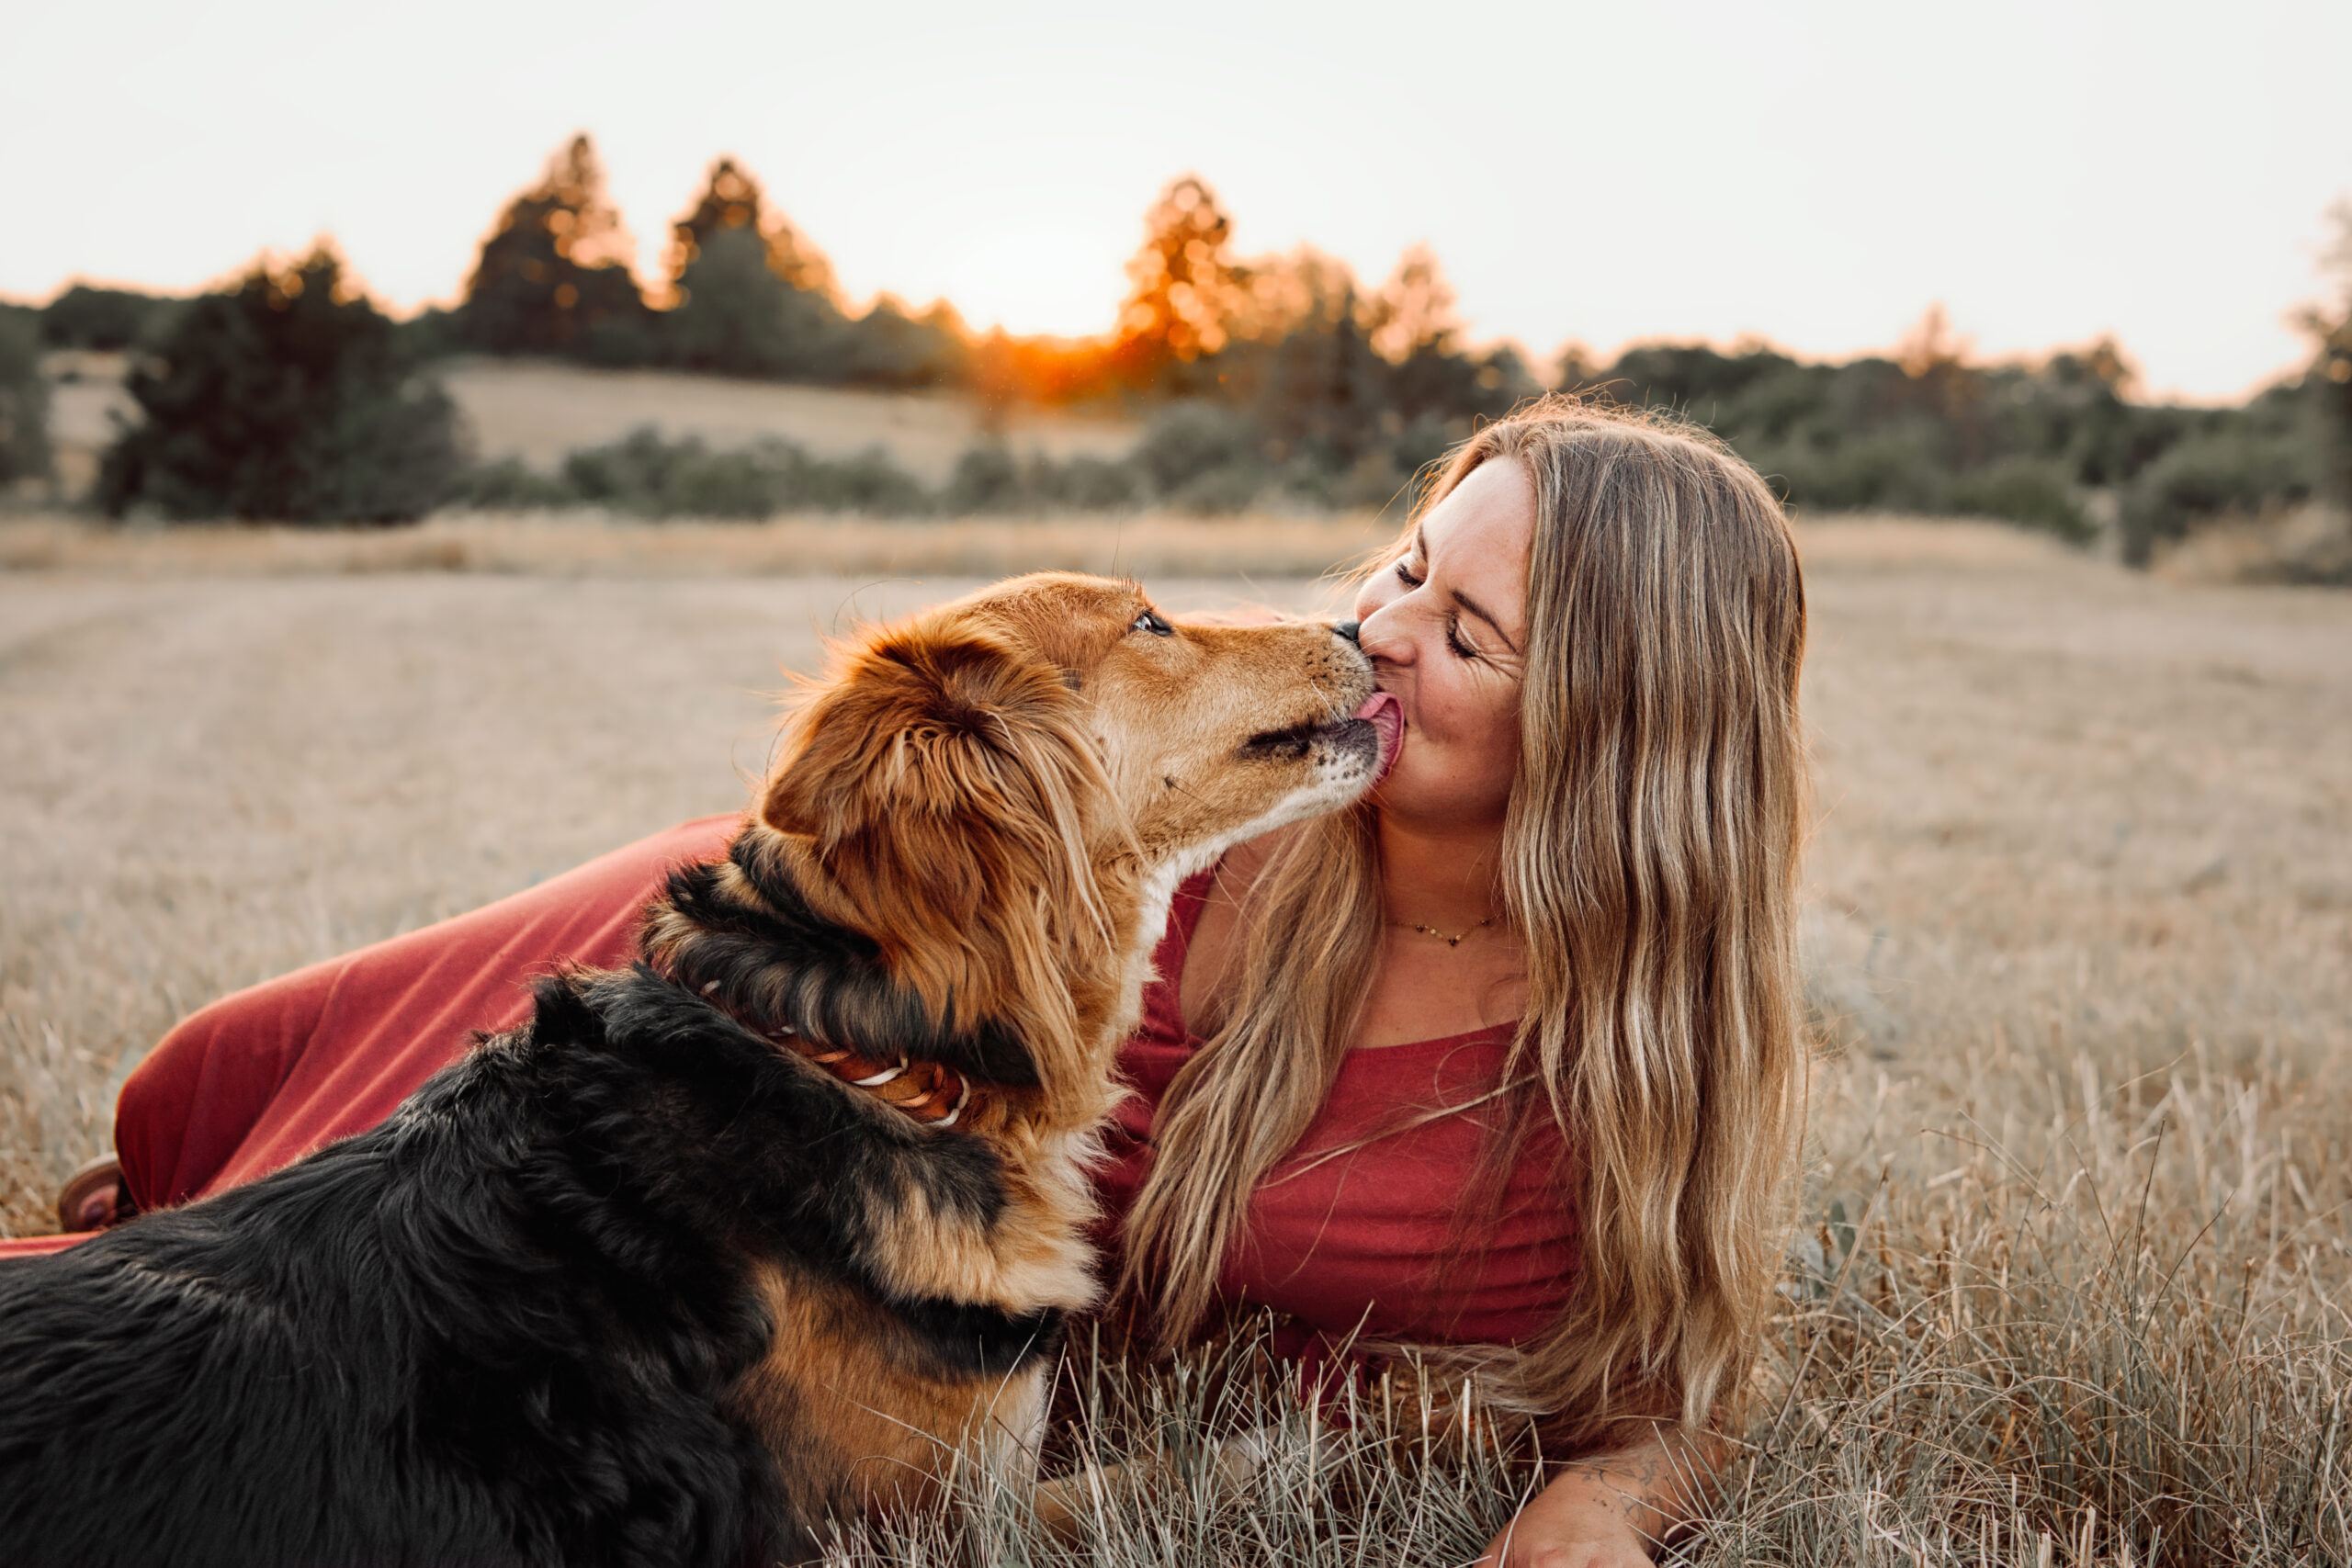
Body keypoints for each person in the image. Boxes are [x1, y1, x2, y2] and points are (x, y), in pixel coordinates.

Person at [15, 397, 1809, 1566]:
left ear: (1615, 731)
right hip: (703, 1096)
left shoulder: (1621, 1050)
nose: (1376, 626)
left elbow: (1666, 1366)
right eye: (1404, 564)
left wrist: (1597, 1497)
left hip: (887, 1307)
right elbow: (756, 936)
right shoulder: (1159, 836)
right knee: (259, 1271)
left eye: (1462, 630)